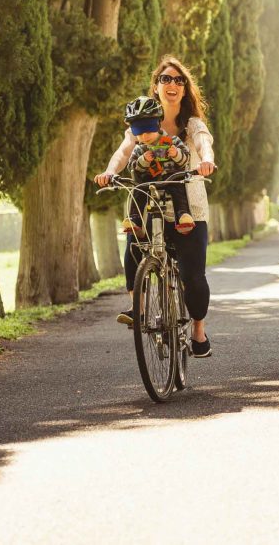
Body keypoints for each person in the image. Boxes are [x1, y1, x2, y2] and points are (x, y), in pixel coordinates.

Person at [94, 56, 216, 357]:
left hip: (188, 206)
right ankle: (137, 305)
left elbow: (203, 143)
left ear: (185, 89)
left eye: (178, 80)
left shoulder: (191, 123)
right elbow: (124, 151)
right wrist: (110, 172)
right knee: (134, 247)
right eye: (165, 79)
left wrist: (207, 160)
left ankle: (198, 330)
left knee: (193, 277)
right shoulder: (143, 120)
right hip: (149, 203)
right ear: (156, 86)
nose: (172, 84)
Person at [122, 95, 195, 236]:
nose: (145, 137)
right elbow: (131, 167)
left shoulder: (172, 141)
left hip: (171, 179)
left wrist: (176, 154)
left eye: (149, 131)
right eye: (139, 133)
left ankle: (183, 215)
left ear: (157, 125)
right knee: (137, 190)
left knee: (179, 189)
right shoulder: (139, 149)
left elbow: (186, 159)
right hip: (147, 182)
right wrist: (143, 161)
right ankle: (134, 219)